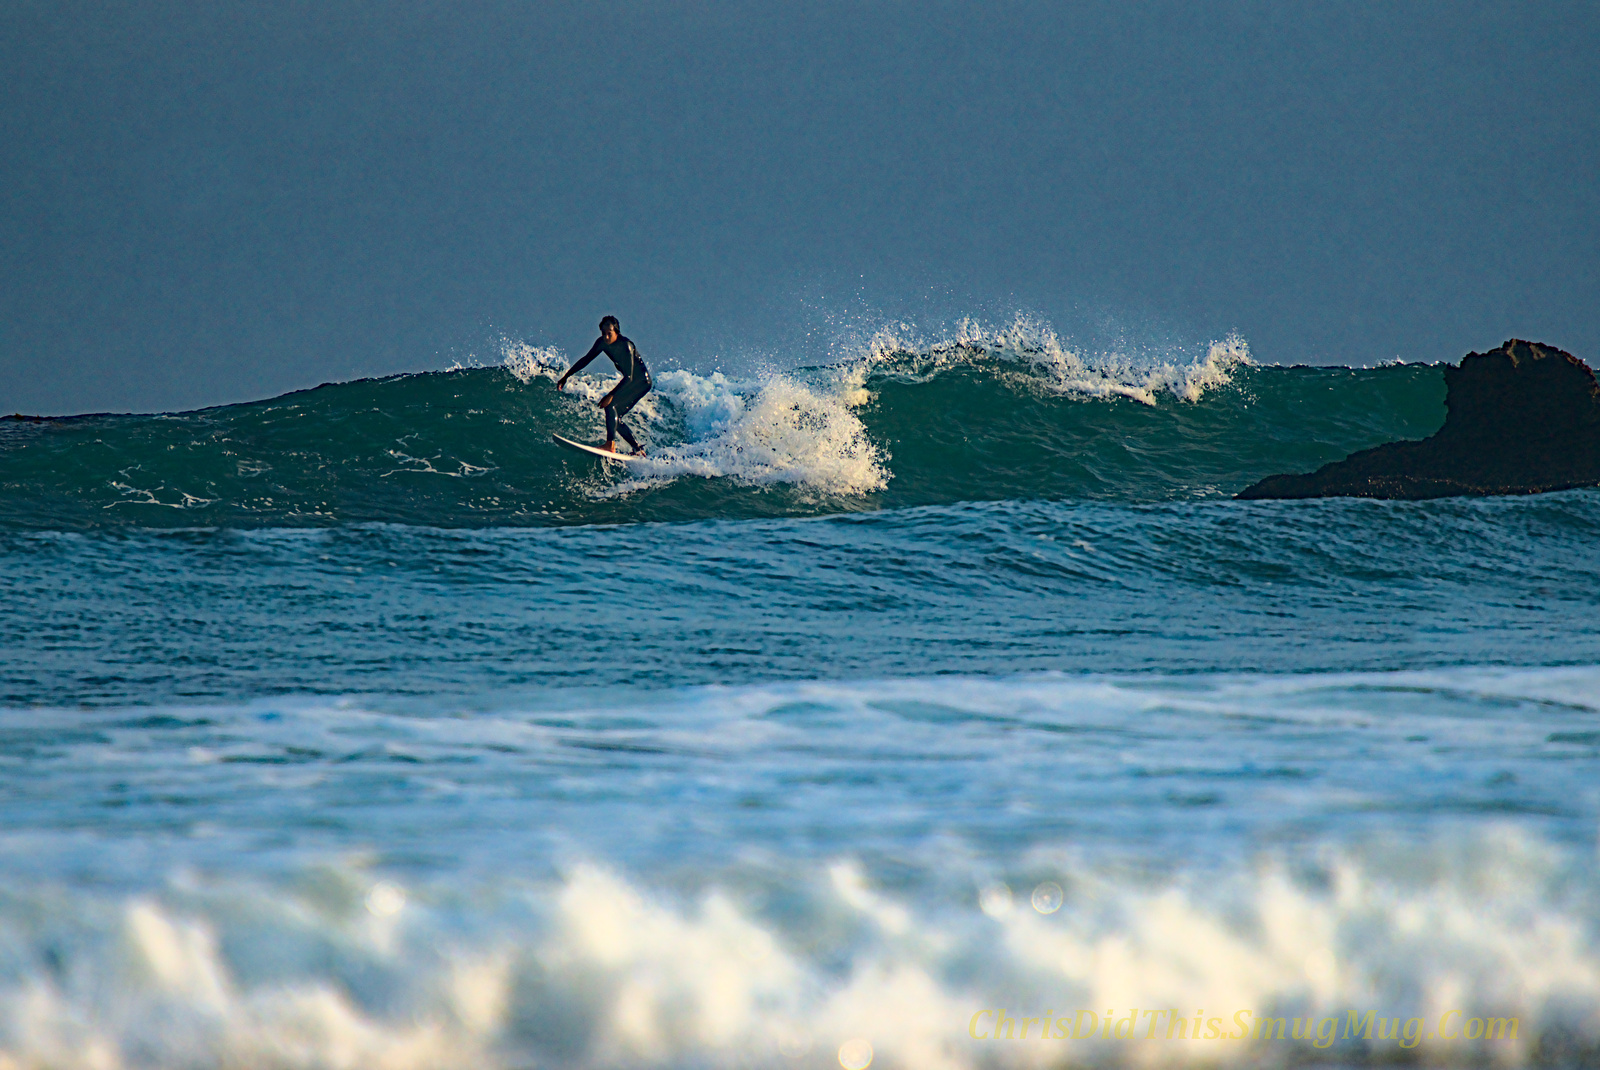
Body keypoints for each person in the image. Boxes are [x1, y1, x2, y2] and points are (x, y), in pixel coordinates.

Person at [556, 316, 652, 455]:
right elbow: (585, 359)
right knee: (615, 417)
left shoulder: (626, 346)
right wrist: (566, 376)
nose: (606, 337)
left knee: (610, 405)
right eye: (603, 333)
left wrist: (610, 395)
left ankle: (610, 445)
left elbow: (629, 377)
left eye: (609, 333)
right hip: (630, 381)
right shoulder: (602, 343)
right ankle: (638, 449)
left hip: (641, 382)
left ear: (616, 332)